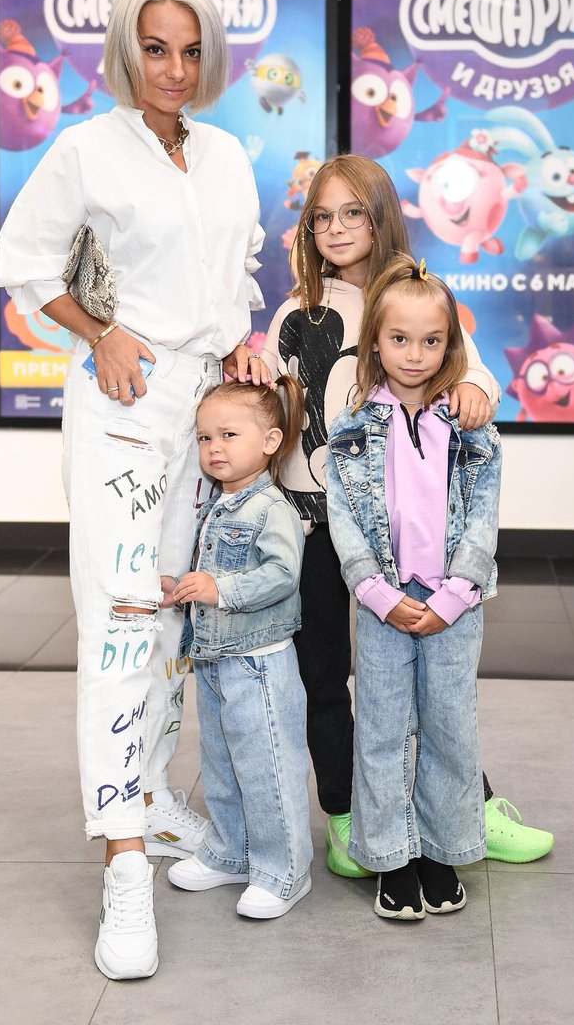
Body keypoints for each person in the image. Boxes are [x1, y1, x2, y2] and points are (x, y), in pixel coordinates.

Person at [0, 0, 270, 979]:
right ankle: (121, 868)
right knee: (118, 622)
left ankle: (149, 798)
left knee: (171, 621)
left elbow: (236, 275)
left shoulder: (228, 154)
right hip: (121, 402)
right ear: (125, 49)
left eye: (191, 50)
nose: (174, 68)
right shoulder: (84, 149)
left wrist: (239, 344)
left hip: (206, 412)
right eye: (155, 48)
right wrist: (100, 331)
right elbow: (22, 266)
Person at [260, 155, 553, 878]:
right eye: (321, 216)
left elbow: (471, 368)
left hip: (402, 530)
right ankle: (346, 813)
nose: (335, 228)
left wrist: (476, 388)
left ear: (383, 215)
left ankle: (468, 810)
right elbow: (277, 408)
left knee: (432, 688)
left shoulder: (412, 292)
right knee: (324, 673)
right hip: (313, 519)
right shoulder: (296, 312)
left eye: (352, 213)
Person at [325, 255, 500, 919]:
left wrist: (454, 596)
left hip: (455, 605)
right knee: (382, 728)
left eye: (432, 341)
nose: (415, 354)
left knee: (450, 727)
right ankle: (391, 857)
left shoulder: (471, 428)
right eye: (400, 339)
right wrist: (377, 594)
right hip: (384, 604)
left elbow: (483, 518)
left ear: (450, 346)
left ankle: (441, 849)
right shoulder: (350, 430)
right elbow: (344, 520)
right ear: (375, 339)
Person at [160, 377, 313, 919]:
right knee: (221, 763)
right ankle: (231, 851)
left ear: (270, 441)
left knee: (267, 766)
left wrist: (219, 589)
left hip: (259, 662)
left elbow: (282, 575)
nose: (214, 448)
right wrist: (186, 586)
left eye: (228, 435)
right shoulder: (218, 506)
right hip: (215, 658)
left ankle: (283, 870)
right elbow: (213, 568)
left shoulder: (270, 508)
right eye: (205, 438)